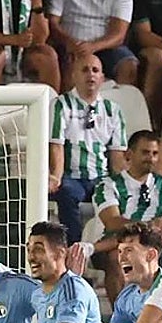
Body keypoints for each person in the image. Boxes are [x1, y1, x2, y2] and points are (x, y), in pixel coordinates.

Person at [93, 129, 162, 302]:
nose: (151, 158)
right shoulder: (109, 185)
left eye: (155, 153)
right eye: (145, 152)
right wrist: (151, 224)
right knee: (117, 257)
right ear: (128, 155)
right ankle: (120, 312)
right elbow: (112, 222)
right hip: (116, 243)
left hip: (155, 245)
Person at [48, 53, 128, 247]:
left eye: (95, 70)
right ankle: (73, 249)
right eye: (84, 70)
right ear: (74, 75)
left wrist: (124, 182)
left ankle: (111, 249)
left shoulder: (113, 110)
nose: (90, 74)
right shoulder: (61, 104)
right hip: (71, 176)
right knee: (66, 193)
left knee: (121, 195)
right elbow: (56, 145)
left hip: (100, 177)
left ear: (102, 77)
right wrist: (56, 177)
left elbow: (117, 154)